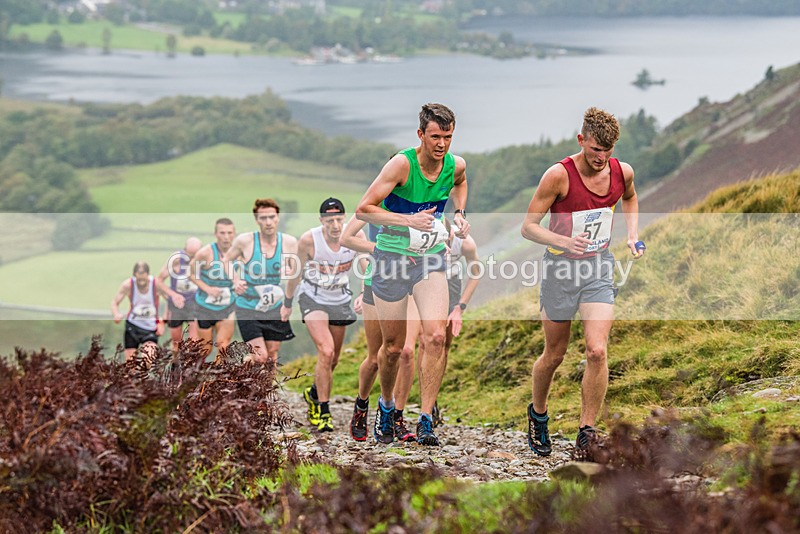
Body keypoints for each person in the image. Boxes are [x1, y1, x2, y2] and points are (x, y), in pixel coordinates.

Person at [520, 107, 644, 457]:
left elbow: (631, 197)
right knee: (554, 354)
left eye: (607, 151)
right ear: (581, 141)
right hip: (560, 271)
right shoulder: (558, 176)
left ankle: (586, 432)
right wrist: (563, 242)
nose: (601, 158)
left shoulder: (622, 172)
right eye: (594, 151)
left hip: (598, 268)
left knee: (597, 350)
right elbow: (528, 227)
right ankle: (538, 414)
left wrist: (632, 235)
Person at [355, 102, 469, 446]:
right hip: (390, 258)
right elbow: (365, 208)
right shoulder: (402, 164)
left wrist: (460, 213)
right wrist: (408, 220)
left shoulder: (455, 165)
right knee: (392, 349)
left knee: (435, 337)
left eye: (448, 137)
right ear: (421, 134)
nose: (442, 144)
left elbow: (461, 182)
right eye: (435, 136)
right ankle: (387, 406)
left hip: (429, 257)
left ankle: (425, 419)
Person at [280, 198, 363, 432]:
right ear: (321, 221)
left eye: (339, 219)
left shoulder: (355, 235)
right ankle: (323, 411)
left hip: (340, 299)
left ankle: (313, 393)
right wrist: (287, 303)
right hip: (312, 298)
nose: (335, 225)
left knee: (333, 359)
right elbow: (295, 274)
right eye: (330, 221)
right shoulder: (309, 240)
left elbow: (366, 263)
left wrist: (364, 291)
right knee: (325, 351)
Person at [342, 216, 419, 443]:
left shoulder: (420, 202)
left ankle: (395, 415)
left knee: (405, 352)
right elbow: (356, 247)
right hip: (376, 284)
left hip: (411, 282)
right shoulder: (372, 205)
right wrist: (376, 263)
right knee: (376, 358)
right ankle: (362, 405)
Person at [225, 198, 297, 365]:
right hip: (248, 306)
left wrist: (288, 300)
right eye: (263, 218)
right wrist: (235, 280)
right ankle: (240, 371)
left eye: (272, 217)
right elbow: (226, 260)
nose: (268, 222)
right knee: (260, 356)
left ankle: (267, 391)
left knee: (272, 355)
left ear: (278, 217)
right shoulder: (245, 241)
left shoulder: (289, 242)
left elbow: (296, 273)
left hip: (274, 307)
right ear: (257, 220)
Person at [111, 261, 185, 362]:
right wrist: (116, 314)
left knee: (148, 360)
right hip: (132, 326)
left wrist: (163, 321)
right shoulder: (127, 285)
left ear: (148, 275)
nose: (141, 282)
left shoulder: (156, 284)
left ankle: (143, 374)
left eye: (144, 279)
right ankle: (135, 376)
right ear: (134, 275)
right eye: (139, 279)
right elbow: (115, 303)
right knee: (130, 365)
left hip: (150, 328)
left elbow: (170, 299)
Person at [189, 218, 237, 358]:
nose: (226, 237)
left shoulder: (239, 253)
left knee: (223, 346)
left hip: (227, 305)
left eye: (229, 233)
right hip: (205, 306)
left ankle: (216, 378)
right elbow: (190, 273)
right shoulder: (205, 253)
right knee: (205, 350)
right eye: (222, 233)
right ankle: (196, 376)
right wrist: (207, 289)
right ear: (216, 234)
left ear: (234, 234)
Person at [158, 236, 202, 353]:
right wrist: (172, 295)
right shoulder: (176, 260)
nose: (192, 258)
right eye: (190, 254)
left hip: (194, 304)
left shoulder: (203, 260)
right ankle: (176, 368)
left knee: (194, 342)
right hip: (176, 305)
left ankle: (192, 369)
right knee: (177, 344)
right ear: (185, 250)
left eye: (195, 254)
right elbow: (159, 281)